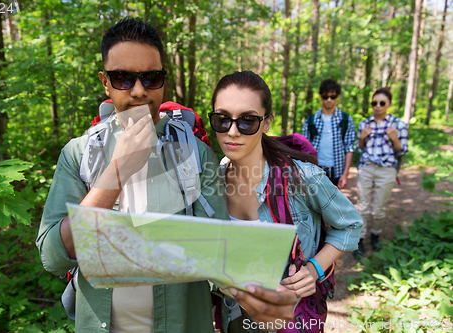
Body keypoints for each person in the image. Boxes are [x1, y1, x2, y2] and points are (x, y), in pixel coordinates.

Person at [36, 17, 296, 333]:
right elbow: (53, 256)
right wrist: (118, 170)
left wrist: (255, 295)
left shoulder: (196, 154)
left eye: (151, 78)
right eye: (122, 78)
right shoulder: (79, 153)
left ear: (164, 80)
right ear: (105, 81)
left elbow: (219, 254)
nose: (138, 91)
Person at [209, 71, 363, 332]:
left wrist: (313, 270)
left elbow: (349, 224)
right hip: (234, 317)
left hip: (293, 320)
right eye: (223, 119)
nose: (232, 132)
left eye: (247, 121)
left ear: (267, 122)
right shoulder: (212, 178)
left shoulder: (300, 177)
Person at [354, 88, 408, 258]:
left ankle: (375, 236)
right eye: (374, 103)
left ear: (389, 104)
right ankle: (360, 240)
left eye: (382, 103)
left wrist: (395, 139)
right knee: (362, 206)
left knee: (378, 209)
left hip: (387, 169)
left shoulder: (398, 124)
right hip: (367, 167)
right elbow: (359, 148)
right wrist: (362, 137)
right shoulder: (365, 123)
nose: (377, 106)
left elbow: (402, 151)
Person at [302, 79, 355, 189]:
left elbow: (349, 148)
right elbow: (303, 149)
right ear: (321, 96)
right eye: (326, 96)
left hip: (337, 171)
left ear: (338, 96)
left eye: (333, 96)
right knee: (314, 204)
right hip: (315, 169)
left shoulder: (345, 119)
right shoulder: (311, 120)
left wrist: (345, 174)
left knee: (334, 205)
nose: (329, 100)